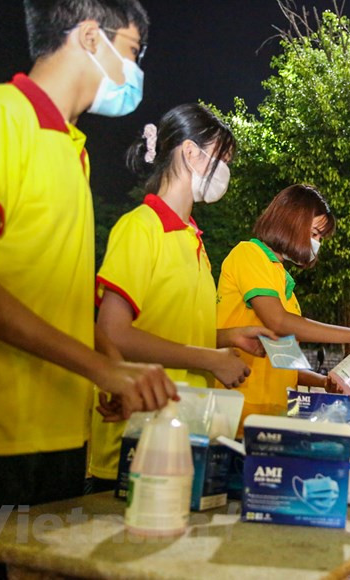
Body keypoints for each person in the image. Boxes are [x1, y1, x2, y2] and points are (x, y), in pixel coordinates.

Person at [0, 1, 175, 576]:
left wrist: (106, 366)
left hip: (60, 441)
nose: (135, 72)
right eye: (132, 51)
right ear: (91, 36)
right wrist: (97, 366)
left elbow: (50, 290)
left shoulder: (74, 151)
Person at [88, 103, 277, 490]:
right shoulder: (141, 228)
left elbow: (169, 328)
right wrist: (209, 358)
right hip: (135, 447)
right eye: (222, 158)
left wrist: (227, 338)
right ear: (191, 153)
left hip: (183, 440)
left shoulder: (193, 240)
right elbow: (112, 332)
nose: (225, 170)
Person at [217, 184, 350, 432]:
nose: (317, 244)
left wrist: (326, 382)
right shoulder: (249, 255)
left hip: (275, 418)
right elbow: (277, 321)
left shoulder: (285, 289)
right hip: (235, 415)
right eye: (314, 233)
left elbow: (286, 361)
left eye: (320, 238)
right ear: (290, 221)